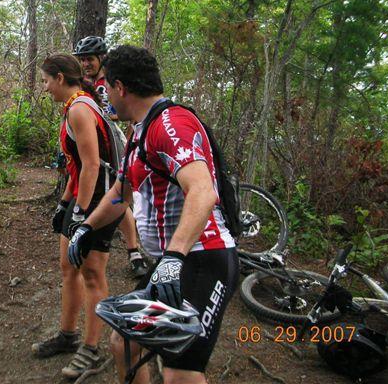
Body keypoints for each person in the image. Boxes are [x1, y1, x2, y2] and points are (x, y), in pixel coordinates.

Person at [67, 45, 239, 384]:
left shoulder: (170, 124)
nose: (104, 95)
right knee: (123, 341)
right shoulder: (140, 131)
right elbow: (120, 194)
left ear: (120, 87)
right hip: (172, 263)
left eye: (106, 88)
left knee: (179, 370)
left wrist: (174, 256)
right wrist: (86, 227)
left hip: (204, 258)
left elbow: (203, 191)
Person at [32, 53, 125, 379]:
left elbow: (93, 165)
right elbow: (76, 164)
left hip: (103, 198)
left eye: (45, 80)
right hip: (85, 193)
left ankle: (91, 347)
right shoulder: (75, 105)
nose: (44, 88)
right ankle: (68, 335)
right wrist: (64, 203)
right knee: (67, 266)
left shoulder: (81, 109)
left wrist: (82, 215)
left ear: (59, 78)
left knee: (91, 274)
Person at [72, 36, 148, 278]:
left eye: (89, 60)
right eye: (82, 60)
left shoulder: (111, 82)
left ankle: (135, 251)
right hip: (96, 145)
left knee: (119, 193)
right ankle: (134, 251)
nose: (86, 64)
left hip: (116, 144)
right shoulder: (84, 84)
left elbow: (127, 112)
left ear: (101, 58)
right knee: (114, 193)